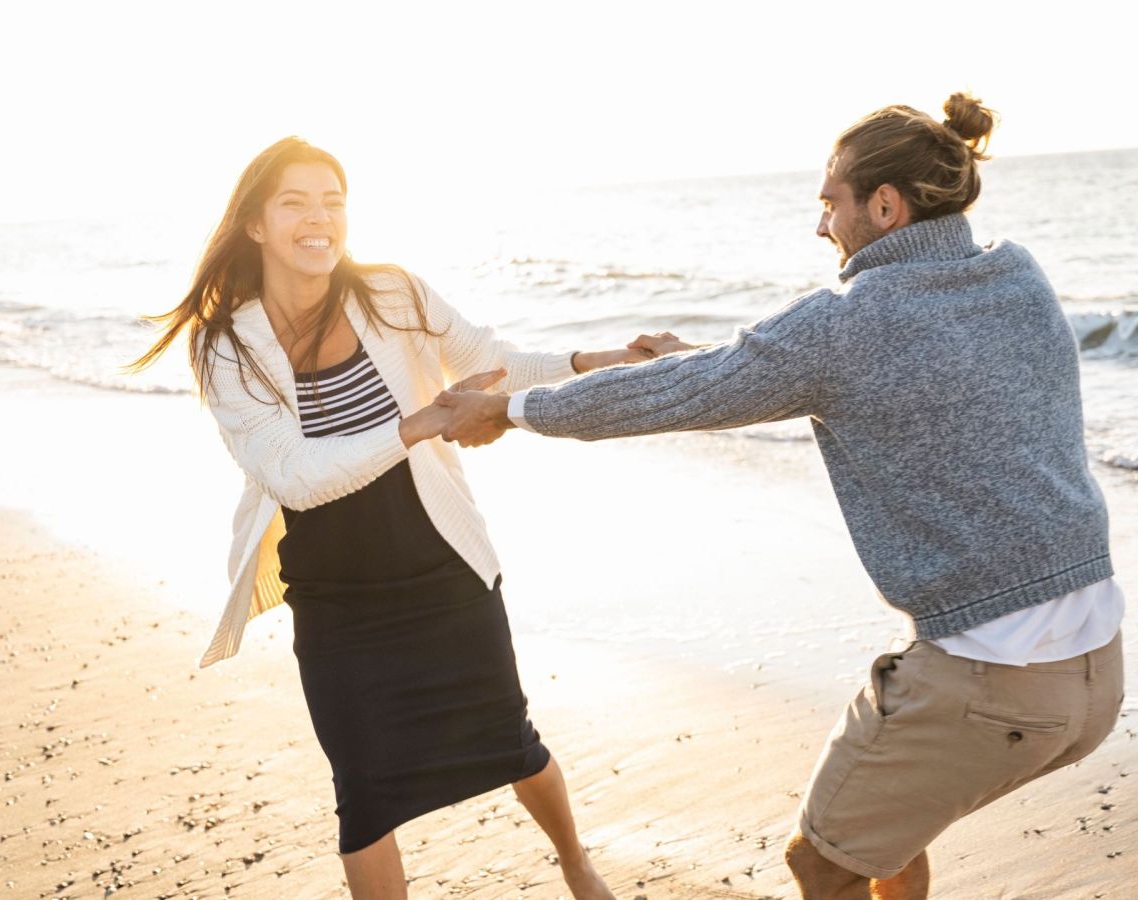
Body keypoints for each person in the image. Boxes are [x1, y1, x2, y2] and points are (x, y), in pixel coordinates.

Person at [435, 94, 1126, 899]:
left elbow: (694, 393)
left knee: (820, 861)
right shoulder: (1017, 274)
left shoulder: (843, 324)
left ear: (885, 205)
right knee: (890, 832)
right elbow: (858, 370)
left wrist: (508, 408)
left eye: (829, 202)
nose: (821, 224)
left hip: (991, 678)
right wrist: (716, 361)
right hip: (1099, 672)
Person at [129, 136, 647, 899]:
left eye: (333, 202)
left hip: (442, 567)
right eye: (296, 203)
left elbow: (493, 358)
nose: (320, 219)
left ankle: (576, 862)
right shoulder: (227, 345)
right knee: (364, 795)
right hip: (339, 601)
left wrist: (595, 361)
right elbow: (293, 478)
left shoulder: (391, 292)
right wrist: (416, 424)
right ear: (256, 225)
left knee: (513, 742)